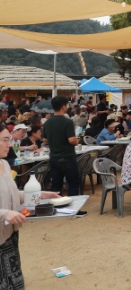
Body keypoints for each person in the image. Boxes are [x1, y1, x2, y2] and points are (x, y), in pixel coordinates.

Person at [0, 123, 60, 288]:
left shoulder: (5, 164)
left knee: (14, 280)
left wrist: (38, 194)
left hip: (9, 233)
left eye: (9, 140)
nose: (9, 145)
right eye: (4, 140)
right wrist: (4, 213)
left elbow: (11, 194)